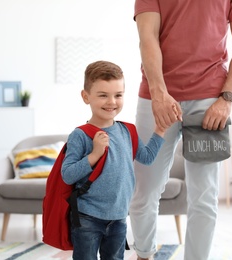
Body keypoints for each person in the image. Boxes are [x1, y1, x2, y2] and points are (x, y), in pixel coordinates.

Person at [129, 1, 232, 259]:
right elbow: (147, 37)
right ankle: (143, 254)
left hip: (211, 100)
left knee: (204, 198)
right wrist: (158, 94)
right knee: (145, 189)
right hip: (156, 97)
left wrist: (227, 99)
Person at [61, 60, 167, 260]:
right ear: (86, 97)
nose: (112, 102)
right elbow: (68, 175)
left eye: (118, 95)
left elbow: (146, 158)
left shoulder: (127, 130)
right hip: (87, 218)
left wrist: (160, 131)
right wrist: (94, 155)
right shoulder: (81, 135)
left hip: (118, 217)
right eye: (103, 95)